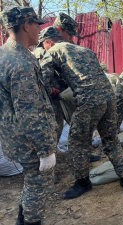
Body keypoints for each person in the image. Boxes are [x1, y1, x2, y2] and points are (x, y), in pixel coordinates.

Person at [40, 34, 123, 200]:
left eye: (43, 45)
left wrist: (50, 94)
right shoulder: (84, 50)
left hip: (89, 99)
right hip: (109, 96)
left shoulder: (53, 50)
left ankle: (82, 183)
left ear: (48, 42)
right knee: (111, 140)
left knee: (77, 142)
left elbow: (45, 78)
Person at [0, 7, 57, 225]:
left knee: (31, 182)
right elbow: (29, 112)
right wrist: (45, 150)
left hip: (13, 136)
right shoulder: (21, 63)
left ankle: (21, 220)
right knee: (38, 185)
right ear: (26, 26)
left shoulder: (5, 53)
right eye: (37, 25)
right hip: (29, 141)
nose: (39, 30)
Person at [52, 13, 102, 163]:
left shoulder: (69, 47)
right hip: (54, 98)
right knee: (55, 131)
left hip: (70, 94)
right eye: (69, 34)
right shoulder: (47, 43)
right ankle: (51, 166)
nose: (71, 38)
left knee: (81, 126)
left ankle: (84, 154)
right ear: (59, 29)